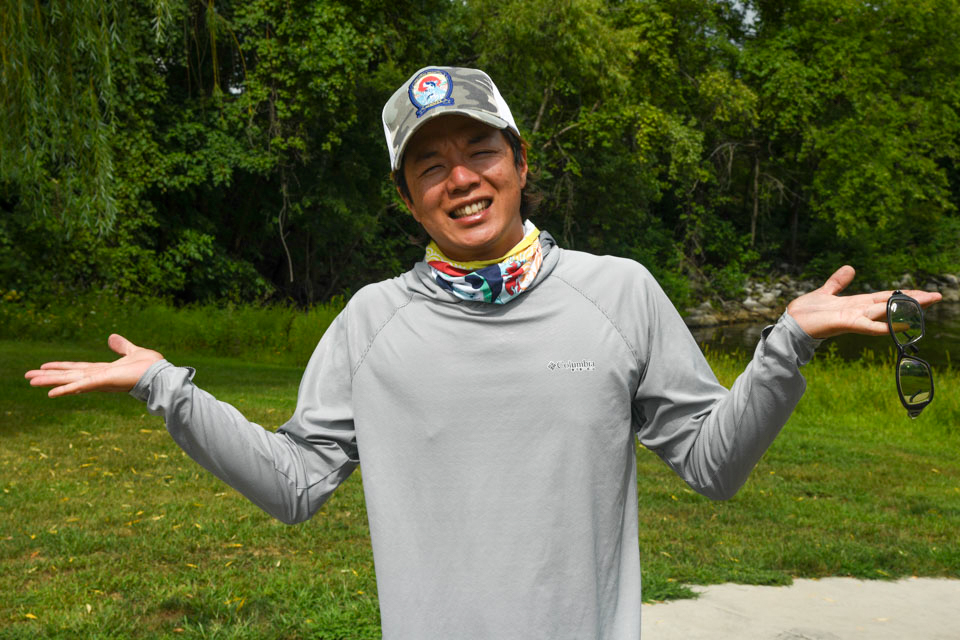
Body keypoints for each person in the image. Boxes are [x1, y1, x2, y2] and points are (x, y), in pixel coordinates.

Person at [26, 66, 941, 639]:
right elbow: (295, 484)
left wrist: (784, 346)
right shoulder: (371, 322)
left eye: (478, 150)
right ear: (407, 198)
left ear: (520, 160)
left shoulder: (618, 293)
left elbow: (713, 466)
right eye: (430, 165)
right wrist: (167, 388)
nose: (460, 177)